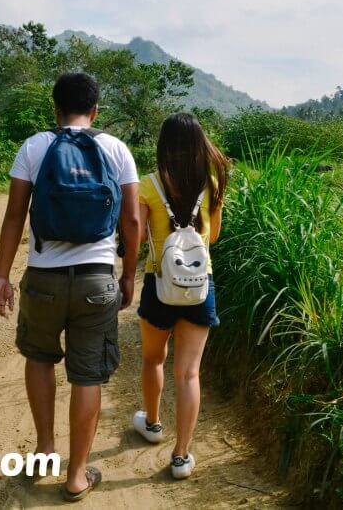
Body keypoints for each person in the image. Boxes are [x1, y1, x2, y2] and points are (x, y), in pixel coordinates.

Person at [0, 72, 141, 502]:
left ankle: (44, 452)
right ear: (95, 110)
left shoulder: (35, 147)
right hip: (97, 279)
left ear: (54, 109)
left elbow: (14, 215)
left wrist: (2, 275)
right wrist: (128, 275)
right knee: (87, 375)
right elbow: (131, 221)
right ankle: (77, 475)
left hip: (43, 280)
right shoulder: (116, 149)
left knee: (38, 358)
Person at [131, 112, 229, 480]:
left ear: (164, 146)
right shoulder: (212, 184)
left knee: (153, 359)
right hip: (200, 286)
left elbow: (138, 237)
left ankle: (152, 424)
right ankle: (181, 456)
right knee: (188, 374)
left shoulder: (148, 184)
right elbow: (213, 237)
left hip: (159, 285)